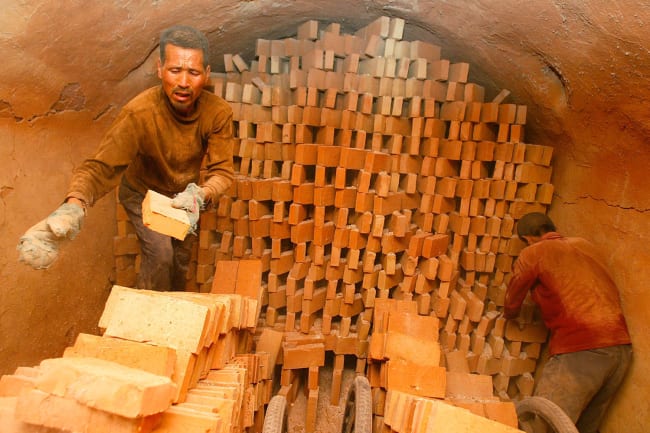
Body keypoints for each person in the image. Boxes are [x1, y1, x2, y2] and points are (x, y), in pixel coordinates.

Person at [17, 25, 234, 292]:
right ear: (160, 69)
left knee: (178, 264)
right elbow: (100, 168)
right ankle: (139, 326)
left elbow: (223, 172)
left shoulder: (218, 112)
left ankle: (170, 323)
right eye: (175, 70)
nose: (184, 82)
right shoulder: (139, 112)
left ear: (207, 74)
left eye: (194, 72)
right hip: (141, 192)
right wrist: (73, 206)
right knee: (161, 256)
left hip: (183, 199)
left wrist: (201, 194)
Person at [504, 212, 632, 433]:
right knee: (582, 427)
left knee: (543, 422)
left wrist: (509, 315)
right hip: (620, 351)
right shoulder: (585, 245)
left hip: (582, 350)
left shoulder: (533, 252)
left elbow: (512, 301)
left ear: (528, 239)